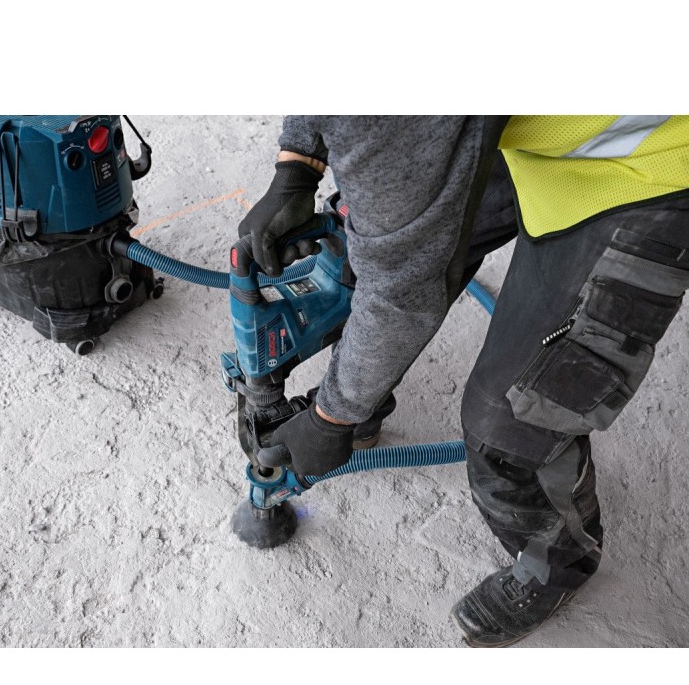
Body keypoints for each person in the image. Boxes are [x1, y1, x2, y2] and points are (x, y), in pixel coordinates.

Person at [238, 116, 689, 647]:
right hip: (526, 127)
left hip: (653, 162)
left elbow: (402, 292)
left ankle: (556, 567)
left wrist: (330, 417)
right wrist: (298, 164)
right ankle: (364, 402)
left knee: (512, 419)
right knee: (362, 256)